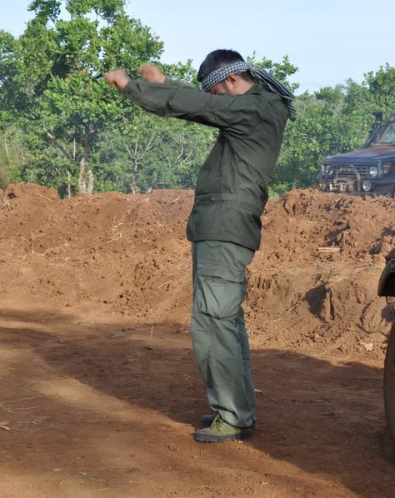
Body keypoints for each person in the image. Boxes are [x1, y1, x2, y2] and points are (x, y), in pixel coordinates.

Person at [105, 50, 295, 443]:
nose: (218, 103)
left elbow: (199, 104)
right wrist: (163, 86)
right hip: (223, 226)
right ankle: (234, 409)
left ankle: (233, 415)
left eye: (218, 94)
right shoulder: (256, 106)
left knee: (213, 321)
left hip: (226, 227)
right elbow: (202, 101)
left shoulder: (254, 109)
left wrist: (134, 87)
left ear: (230, 83)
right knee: (225, 321)